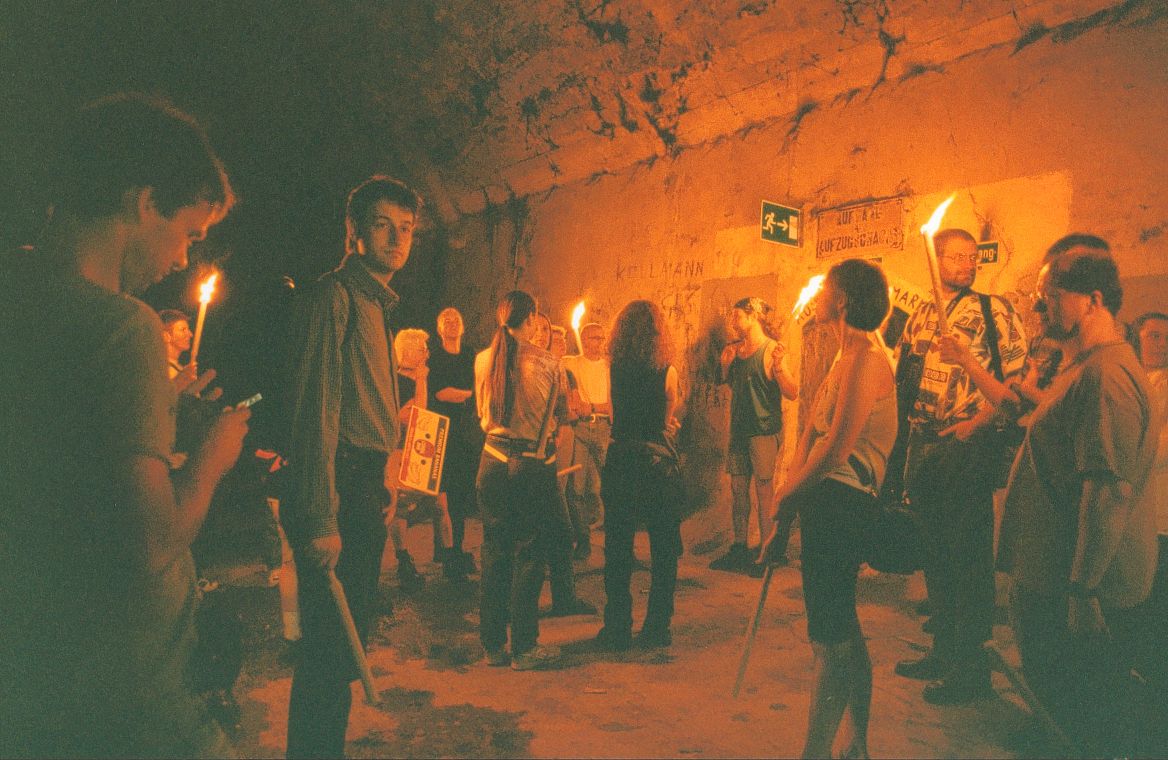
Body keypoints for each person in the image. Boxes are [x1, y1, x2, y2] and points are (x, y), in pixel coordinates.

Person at [0, 93, 248, 758]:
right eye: (189, 233)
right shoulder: (123, 327)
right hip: (129, 693)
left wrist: (158, 407)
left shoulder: (16, 291)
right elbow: (150, 542)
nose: (183, 259)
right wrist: (213, 457)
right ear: (143, 202)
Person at [282, 175, 422, 758]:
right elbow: (316, 414)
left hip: (364, 485)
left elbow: (365, 408)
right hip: (338, 484)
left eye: (406, 229)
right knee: (326, 653)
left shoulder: (376, 305)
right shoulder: (333, 299)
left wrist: (385, 480)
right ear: (354, 230)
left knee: (344, 650)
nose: (396, 239)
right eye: (383, 225)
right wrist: (320, 518)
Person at [1000, 251, 1158, 757]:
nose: (1038, 308)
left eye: (1049, 297)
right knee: (1062, 708)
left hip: (1074, 584)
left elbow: (1109, 491)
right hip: (1053, 574)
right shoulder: (1084, 366)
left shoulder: (1106, 375)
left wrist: (1082, 589)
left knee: (1082, 717)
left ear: (1092, 300)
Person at [758, 259, 896, 759]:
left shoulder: (869, 360)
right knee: (843, 632)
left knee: (829, 644)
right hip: (823, 505)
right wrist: (786, 512)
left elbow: (837, 448)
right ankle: (855, 744)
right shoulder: (842, 358)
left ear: (842, 301)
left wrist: (785, 497)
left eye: (825, 288)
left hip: (843, 507)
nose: (816, 295)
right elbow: (810, 440)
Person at [892, 228, 1027, 704]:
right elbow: (906, 373)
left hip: (966, 444)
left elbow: (1016, 386)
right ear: (936, 259)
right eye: (956, 257)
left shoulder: (993, 311)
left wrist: (975, 424)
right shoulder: (921, 315)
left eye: (972, 258)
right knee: (935, 555)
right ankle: (944, 652)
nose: (967, 265)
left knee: (967, 560)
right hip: (924, 444)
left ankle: (971, 671)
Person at [474, 290, 562, 671]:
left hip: (491, 461)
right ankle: (525, 648)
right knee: (529, 554)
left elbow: (483, 412)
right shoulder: (548, 363)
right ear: (532, 320)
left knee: (494, 553)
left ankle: (493, 646)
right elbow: (555, 418)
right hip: (528, 465)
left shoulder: (482, 359)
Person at [594, 300, 684, 651]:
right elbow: (666, 421)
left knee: (618, 548)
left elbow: (615, 414)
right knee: (664, 550)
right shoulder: (668, 371)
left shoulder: (614, 367)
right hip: (656, 465)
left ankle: (617, 626)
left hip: (622, 461)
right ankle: (657, 627)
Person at [710, 296, 798, 574]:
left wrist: (779, 366)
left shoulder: (771, 350)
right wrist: (725, 366)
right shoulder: (736, 350)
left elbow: (792, 392)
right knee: (738, 491)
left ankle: (766, 552)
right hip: (739, 431)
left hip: (762, 431)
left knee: (763, 492)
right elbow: (727, 383)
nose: (732, 321)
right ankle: (739, 548)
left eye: (737, 315)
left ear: (753, 316)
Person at [532, 313, 596, 617]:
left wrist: (560, 424)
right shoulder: (521, 366)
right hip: (527, 455)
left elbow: (568, 409)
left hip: (549, 449)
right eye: (538, 328)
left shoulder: (560, 370)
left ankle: (564, 598)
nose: (543, 334)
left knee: (559, 527)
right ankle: (521, 609)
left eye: (547, 329)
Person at [388, 327, 459, 587]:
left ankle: (449, 557)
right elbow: (415, 414)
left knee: (440, 504)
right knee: (402, 508)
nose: (427, 353)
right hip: (402, 450)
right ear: (406, 352)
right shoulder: (397, 382)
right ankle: (404, 561)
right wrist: (420, 381)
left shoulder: (425, 377)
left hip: (427, 447)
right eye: (421, 349)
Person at [428, 306, 480, 575]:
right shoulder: (435, 357)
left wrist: (464, 394)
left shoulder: (470, 355)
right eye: (446, 320)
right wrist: (469, 395)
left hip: (465, 433)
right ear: (439, 329)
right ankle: (446, 552)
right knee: (443, 496)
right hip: (442, 432)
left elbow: (477, 385)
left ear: (463, 326)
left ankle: (455, 549)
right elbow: (441, 393)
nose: (452, 323)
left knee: (460, 494)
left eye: (456, 319)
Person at [562, 321, 613, 555]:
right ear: (583, 340)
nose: (599, 343)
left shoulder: (609, 367)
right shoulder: (571, 363)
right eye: (594, 338)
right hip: (580, 430)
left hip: (603, 429)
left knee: (611, 487)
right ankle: (583, 541)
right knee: (576, 489)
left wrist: (591, 406)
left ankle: (617, 543)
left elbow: (612, 406)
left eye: (602, 338)